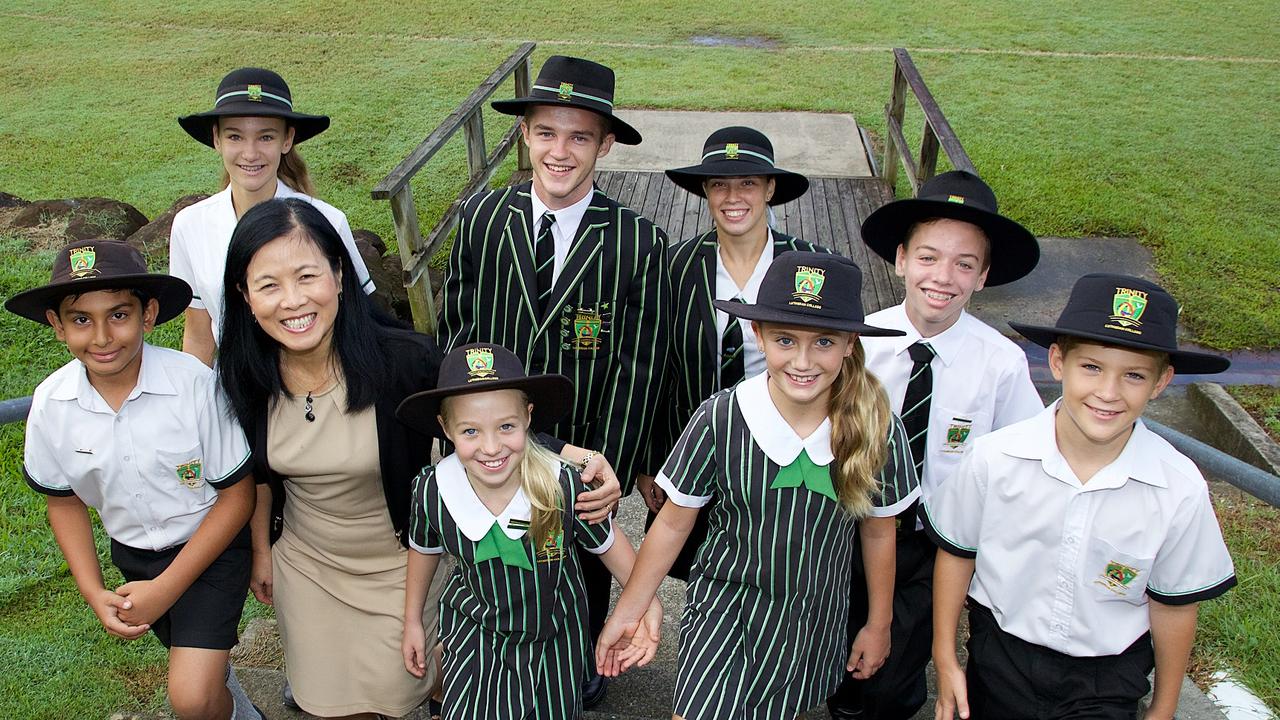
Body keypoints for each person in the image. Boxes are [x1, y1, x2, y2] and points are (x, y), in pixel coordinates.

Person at [218, 198, 620, 717]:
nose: (292, 301)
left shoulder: (402, 361)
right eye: (269, 285)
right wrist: (261, 549)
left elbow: (479, 423)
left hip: (400, 562)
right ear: (245, 296)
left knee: (398, 688)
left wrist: (574, 454)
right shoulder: (243, 375)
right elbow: (259, 477)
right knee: (329, 703)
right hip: (308, 564)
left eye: (307, 276)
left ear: (339, 276)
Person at [598, 251, 920, 720]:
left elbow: (878, 530)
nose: (803, 361)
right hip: (724, 614)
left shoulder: (876, 426)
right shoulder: (721, 417)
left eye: (824, 341)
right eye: (785, 339)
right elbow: (671, 524)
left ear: (851, 343)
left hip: (811, 619)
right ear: (758, 335)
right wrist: (631, 608)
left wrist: (879, 622)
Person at [438, 54, 668, 706]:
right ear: (525, 133)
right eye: (545, 132)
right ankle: (491, 654)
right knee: (497, 561)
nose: (559, 151)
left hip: (580, 451)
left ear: (606, 142)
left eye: (579, 136)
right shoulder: (483, 219)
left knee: (581, 568)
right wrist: (461, 430)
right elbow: (456, 327)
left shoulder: (636, 242)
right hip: (492, 447)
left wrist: (608, 464)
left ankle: (583, 655)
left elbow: (639, 367)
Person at [926, 273, 1237, 720]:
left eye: (1134, 375)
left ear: (1161, 382)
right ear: (1058, 362)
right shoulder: (994, 458)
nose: (1108, 393)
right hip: (1001, 661)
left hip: (1107, 679)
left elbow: (1174, 604)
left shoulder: (1179, 489)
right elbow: (956, 554)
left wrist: (1164, 708)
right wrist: (946, 658)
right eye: (1091, 367)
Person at [8, 240, 261, 719]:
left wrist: (166, 589)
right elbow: (63, 502)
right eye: (81, 319)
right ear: (57, 326)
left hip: (210, 551)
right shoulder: (51, 404)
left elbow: (236, 495)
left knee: (189, 697)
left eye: (118, 314)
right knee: (203, 680)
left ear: (147, 315)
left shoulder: (192, 385)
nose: (102, 336)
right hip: (135, 559)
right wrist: (92, 589)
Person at [828, 169, 1044, 719]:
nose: (942, 277)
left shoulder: (1000, 363)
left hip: (934, 543)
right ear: (900, 259)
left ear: (983, 275)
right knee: (836, 650)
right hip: (847, 525)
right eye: (928, 257)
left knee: (891, 672)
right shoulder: (856, 343)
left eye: (964, 264)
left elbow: (1023, 460)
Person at [397, 343, 663, 719]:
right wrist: (413, 622)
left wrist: (647, 603)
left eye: (506, 426)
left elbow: (614, 549)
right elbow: (422, 551)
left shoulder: (565, 487)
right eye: (470, 430)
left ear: (528, 417)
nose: (491, 448)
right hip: (477, 635)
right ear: (445, 428)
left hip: (554, 642)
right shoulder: (432, 490)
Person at [644, 125, 828, 578]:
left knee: (779, 564)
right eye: (719, 184)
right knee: (704, 571)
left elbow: (835, 364)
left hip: (786, 450)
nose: (733, 196)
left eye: (747, 182)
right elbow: (657, 370)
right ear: (705, 191)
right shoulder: (676, 267)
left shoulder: (810, 268)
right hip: (702, 450)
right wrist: (652, 463)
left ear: (770, 188)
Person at [170, 66, 373, 366]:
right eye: (235, 137)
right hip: (233, 395)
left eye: (266, 137)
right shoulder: (190, 225)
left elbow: (358, 320)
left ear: (287, 140)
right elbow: (199, 336)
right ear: (216, 139)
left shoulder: (326, 220)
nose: (250, 153)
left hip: (317, 390)